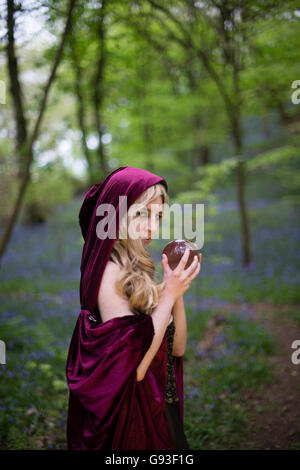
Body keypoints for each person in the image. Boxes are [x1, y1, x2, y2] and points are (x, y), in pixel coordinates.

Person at [65, 166, 201, 450]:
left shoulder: (137, 269)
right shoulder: (110, 274)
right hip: (132, 423)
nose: (152, 226)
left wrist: (176, 289)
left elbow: (177, 349)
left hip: (160, 403)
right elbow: (135, 369)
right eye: (142, 213)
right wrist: (168, 294)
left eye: (158, 216)